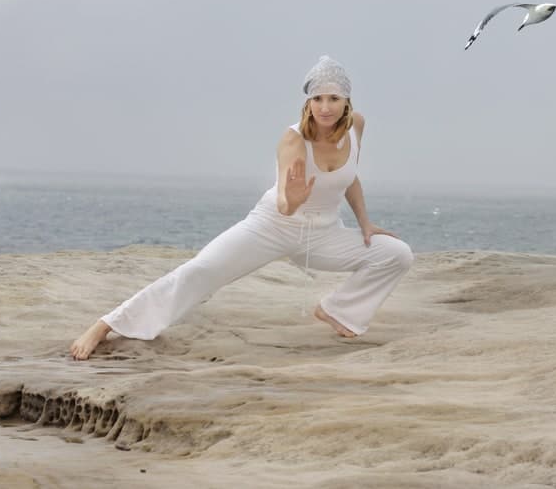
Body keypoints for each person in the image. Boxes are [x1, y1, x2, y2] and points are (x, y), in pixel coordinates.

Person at [70, 55, 413, 360]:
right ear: (307, 102)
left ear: (347, 101)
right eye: (317, 99)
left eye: (334, 98)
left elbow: (350, 178)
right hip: (272, 226)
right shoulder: (294, 139)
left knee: (396, 254)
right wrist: (292, 199)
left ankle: (338, 311)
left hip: (323, 234)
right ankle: (106, 325)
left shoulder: (357, 127)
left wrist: (366, 224)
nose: (325, 107)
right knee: (200, 271)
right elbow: (282, 201)